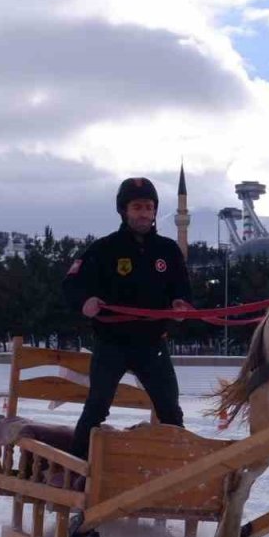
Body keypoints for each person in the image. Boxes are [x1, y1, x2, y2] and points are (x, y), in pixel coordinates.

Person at [62, 177, 193, 459]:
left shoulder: (169, 251)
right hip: (112, 344)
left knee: (170, 409)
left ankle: (179, 472)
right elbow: (72, 285)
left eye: (149, 206)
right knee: (97, 407)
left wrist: (181, 305)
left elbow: (182, 289)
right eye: (137, 207)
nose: (144, 212)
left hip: (153, 344)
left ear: (155, 210)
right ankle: (74, 469)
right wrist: (85, 302)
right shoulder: (103, 249)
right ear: (124, 211)